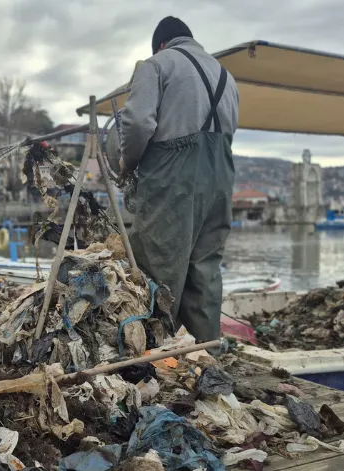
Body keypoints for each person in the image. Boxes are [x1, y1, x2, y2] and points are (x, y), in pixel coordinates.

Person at [119, 16, 239, 344]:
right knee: (205, 269)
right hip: (220, 177)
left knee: (158, 265)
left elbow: (137, 123)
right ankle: (205, 353)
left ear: (161, 44)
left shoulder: (156, 65)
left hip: (173, 175)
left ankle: (154, 355)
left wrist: (127, 164)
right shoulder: (226, 77)